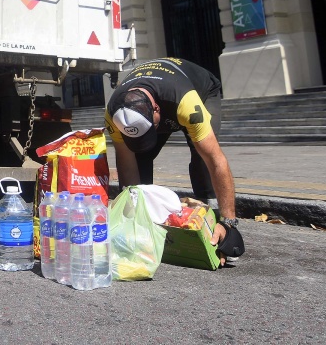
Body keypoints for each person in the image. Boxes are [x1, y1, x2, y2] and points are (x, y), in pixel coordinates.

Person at [104, 57, 244, 264]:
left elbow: (216, 161)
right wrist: (132, 220)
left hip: (201, 91)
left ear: (157, 112)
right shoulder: (113, 113)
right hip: (156, 102)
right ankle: (148, 219)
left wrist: (229, 221)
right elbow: (127, 163)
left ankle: (212, 224)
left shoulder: (186, 103)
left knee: (202, 157)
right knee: (140, 159)